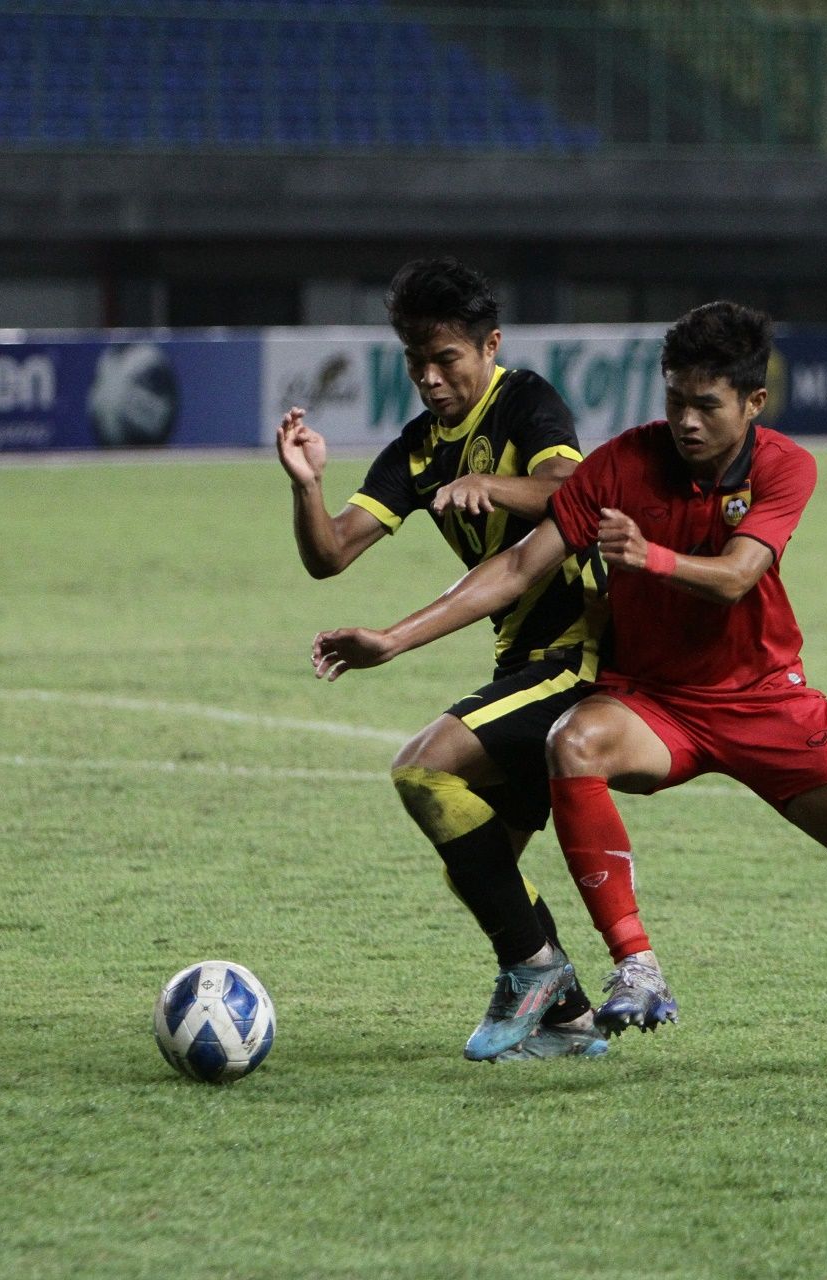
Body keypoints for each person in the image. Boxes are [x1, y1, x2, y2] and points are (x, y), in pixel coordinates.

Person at [312, 301, 827, 1081]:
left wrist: (648, 557)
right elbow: (517, 568)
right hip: (655, 702)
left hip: (765, 701)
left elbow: (739, 575)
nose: (688, 422)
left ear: (753, 403)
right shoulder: (621, 464)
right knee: (573, 740)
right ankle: (635, 964)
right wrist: (392, 640)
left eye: (707, 405)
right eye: (675, 400)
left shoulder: (784, 466)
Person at [279, 256, 608, 1061]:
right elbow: (330, 557)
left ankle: (533, 969)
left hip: (581, 655)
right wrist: (306, 486)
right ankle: (569, 1021)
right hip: (519, 666)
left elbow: (575, 492)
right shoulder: (417, 450)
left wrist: (493, 485)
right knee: (479, 866)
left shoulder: (527, 402)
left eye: (446, 360)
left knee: (424, 770)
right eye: (415, 363)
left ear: (489, 346)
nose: (429, 379)